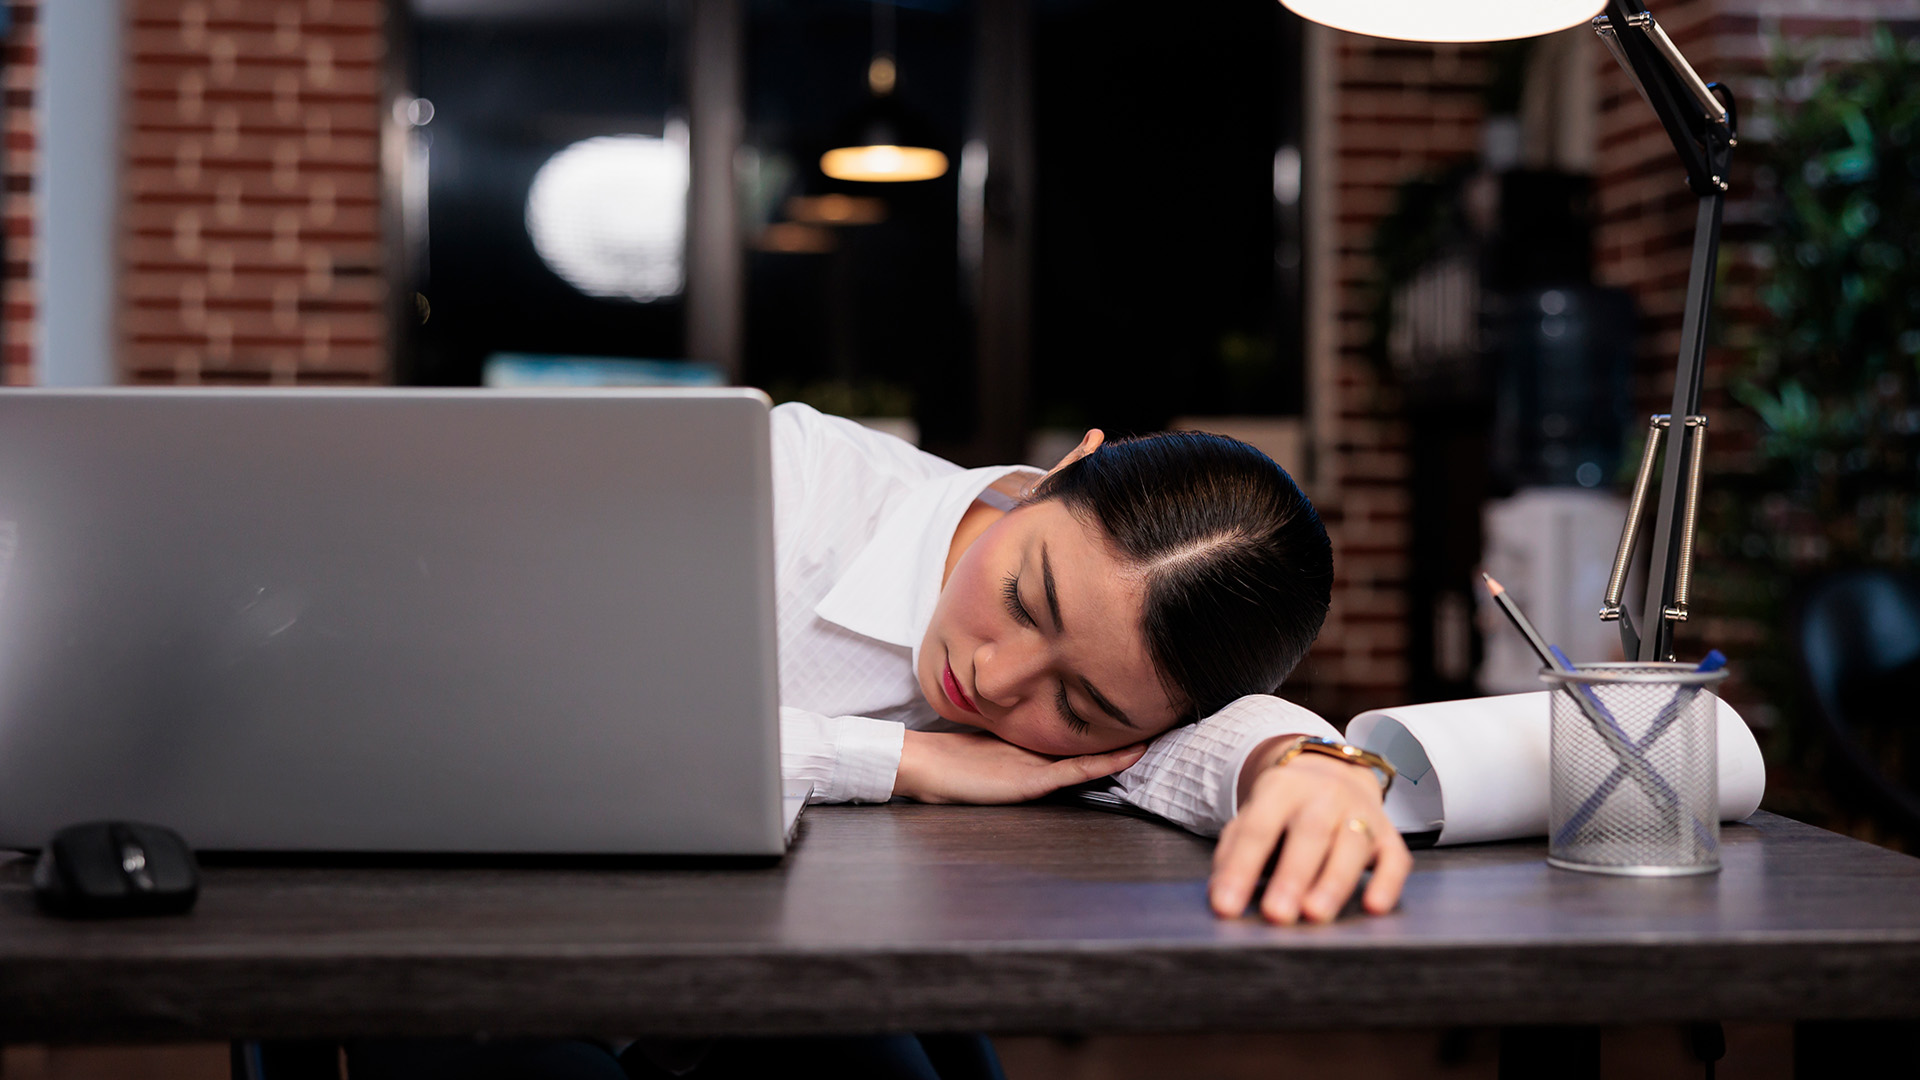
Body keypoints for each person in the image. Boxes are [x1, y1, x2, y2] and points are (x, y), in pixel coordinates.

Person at [772, 401, 1410, 926]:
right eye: (1021, 601)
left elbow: (1195, 750)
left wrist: (1315, 765)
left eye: (1075, 707)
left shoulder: (1135, 704)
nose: (992, 680)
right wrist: (902, 759)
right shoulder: (785, 481)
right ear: (1053, 476)